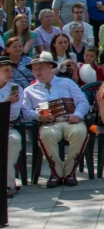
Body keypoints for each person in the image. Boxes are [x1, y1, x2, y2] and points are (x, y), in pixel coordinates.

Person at [20, 51, 89, 186]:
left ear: (50, 67)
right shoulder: (29, 90)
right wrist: (37, 116)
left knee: (80, 132)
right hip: (49, 123)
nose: (37, 71)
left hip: (70, 120)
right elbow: (25, 111)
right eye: (34, 69)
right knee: (46, 135)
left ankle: (69, 173)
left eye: (41, 67)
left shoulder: (66, 83)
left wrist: (78, 115)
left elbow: (82, 102)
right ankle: (56, 173)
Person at [0, 57, 22, 197]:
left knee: (13, 140)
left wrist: (10, 104)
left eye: (11, 70)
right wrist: (4, 103)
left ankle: (7, 184)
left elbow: (13, 116)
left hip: (7, 127)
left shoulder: (16, 88)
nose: (10, 73)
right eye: (5, 70)